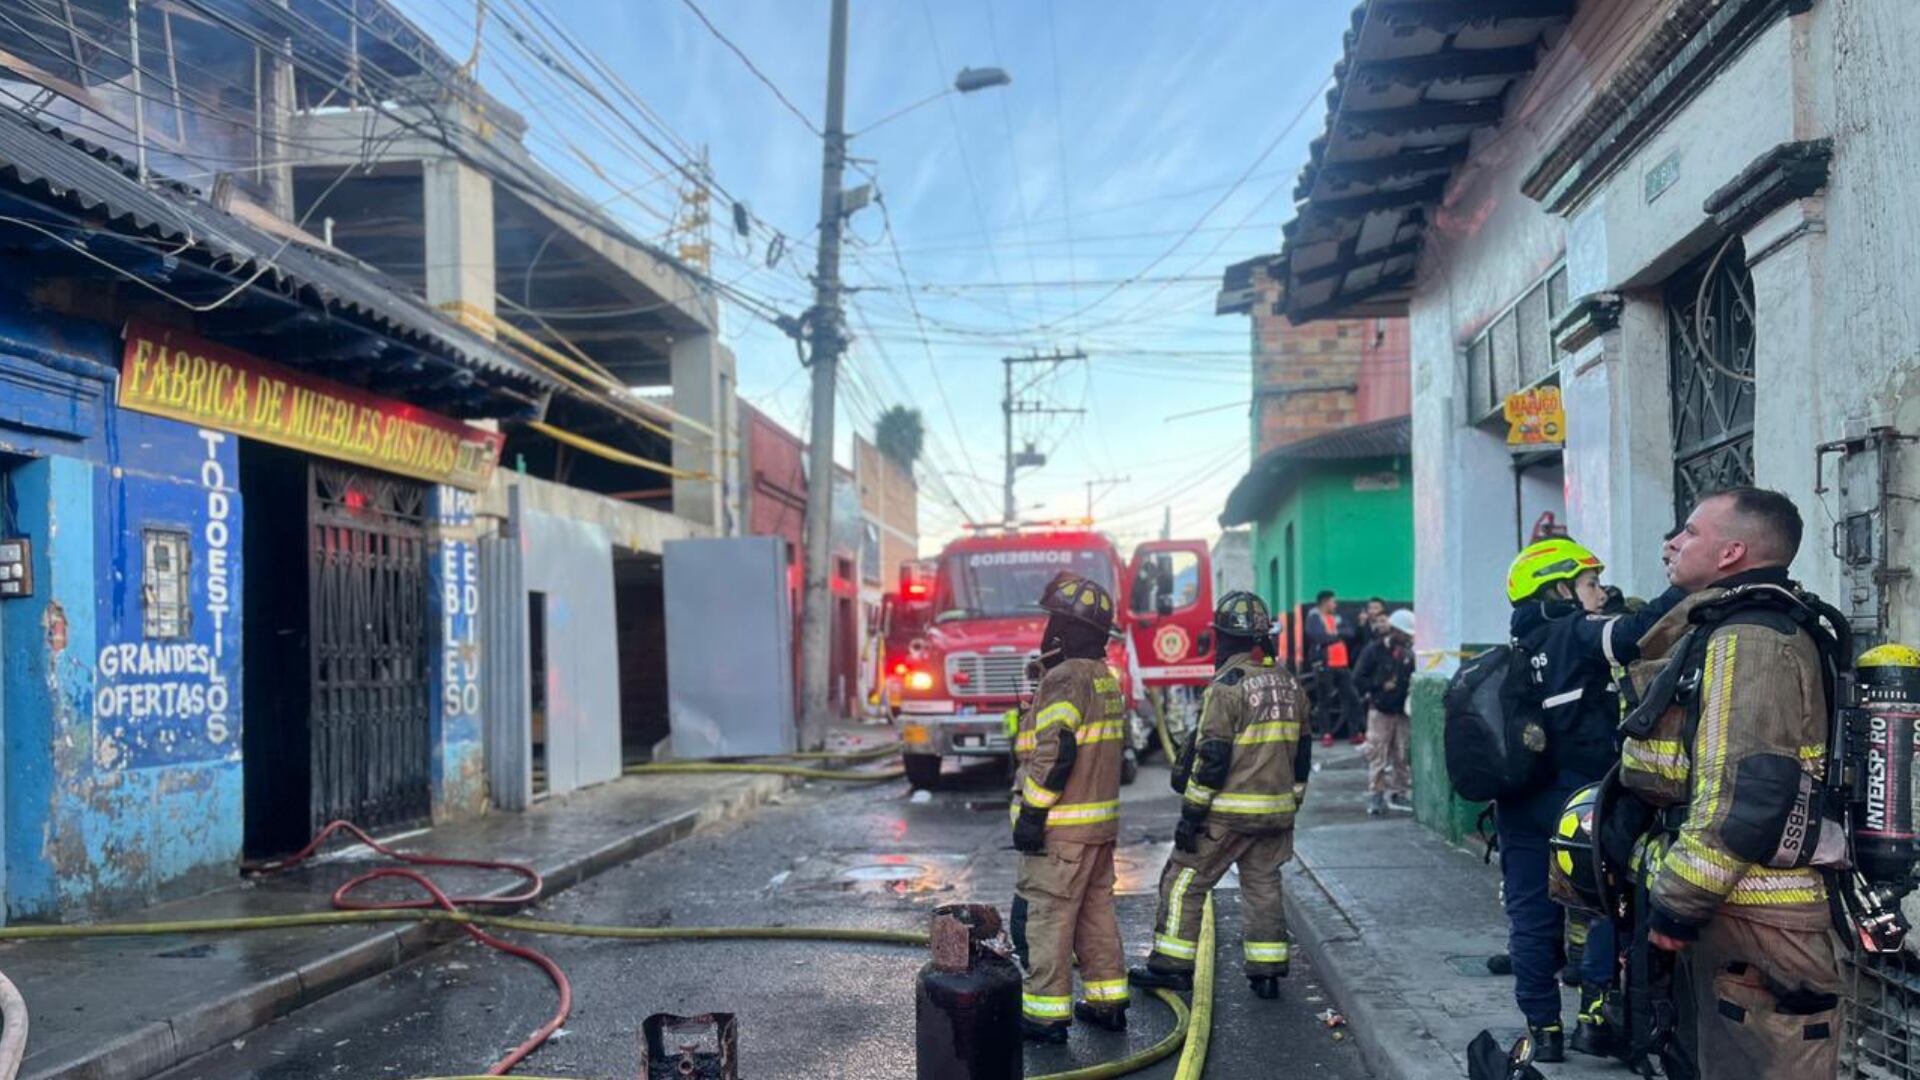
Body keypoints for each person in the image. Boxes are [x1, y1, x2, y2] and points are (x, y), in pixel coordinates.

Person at [1620, 489, 1844, 1079]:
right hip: (1736, 916)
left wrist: (1675, 907)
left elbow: (1742, 798)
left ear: (1731, 553)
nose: (1672, 542)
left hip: (1757, 921)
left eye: (1690, 532)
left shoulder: (1750, 639)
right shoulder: (1729, 626)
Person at [1498, 536, 1686, 1061]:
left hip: (1518, 803)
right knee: (1607, 903)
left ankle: (1543, 1032)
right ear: (1558, 589)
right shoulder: (1574, 634)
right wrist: (1687, 583)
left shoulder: (1520, 644)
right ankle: (1594, 1017)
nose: (1600, 594)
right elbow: (1634, 634)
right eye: (1589, 584)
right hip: (1580, 799)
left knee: (1531, 916)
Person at [1130, 591, 1312, 1001]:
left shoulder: (1227, 687)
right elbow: (1303, 755)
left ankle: (1171, 966)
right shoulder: (1290, 684)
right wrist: (1291, 801)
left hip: (1228, 813)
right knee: (1263, 884)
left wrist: (1191, 816)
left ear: (1228, 639)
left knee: (1183, 882)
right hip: (1277, 813)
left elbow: (1212, 758)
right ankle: (1267, 972)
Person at [1009, 572, 1129, 1042]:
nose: (1047, 632)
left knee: (1049, 918)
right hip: (1099, 827)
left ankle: (1045, 1014)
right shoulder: (1105, 679)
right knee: (1096, 914)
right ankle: (1108, 1002)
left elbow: (1055, 753)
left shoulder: (1064, 679)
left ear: (1067, 629)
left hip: (1061, 828)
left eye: (1054, 621)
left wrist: (1032, 814)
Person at [1353, 608, 1416, 815]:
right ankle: (1376, 795)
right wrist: (1380, 685)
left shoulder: (1409, 654)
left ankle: (1400, 792)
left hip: (1401, 712)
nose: (1406, 638)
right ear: (1395, 631)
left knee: (1401, 754)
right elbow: (1358, 678)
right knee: (1377, 754)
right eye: (1404, 634)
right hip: (1380, 710)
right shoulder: (1374, 650)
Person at [1304, 590, 1364, 747]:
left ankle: (1354, 733)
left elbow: (1350, 632)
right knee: (1325, 701)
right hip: (1325, 665)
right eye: (1333, 602)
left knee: (1352, 698)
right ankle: (1326, 734)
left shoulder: (1336, 618)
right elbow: (1318, 636)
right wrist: (1337, 635)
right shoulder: (1314, 618)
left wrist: (1334, 634)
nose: (1335, 605)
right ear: (1324, 602)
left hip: (1342, 665)